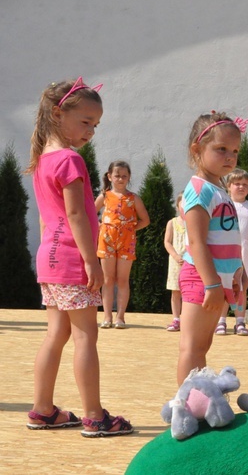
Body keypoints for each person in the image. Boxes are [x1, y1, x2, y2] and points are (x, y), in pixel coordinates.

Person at [26, 77, 133, 436]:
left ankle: (42, 409)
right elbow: (76, 216)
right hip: (73, 259)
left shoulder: (43, 158)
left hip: (50, 258)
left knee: (55, 334)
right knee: (86, 335)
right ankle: (94, 416)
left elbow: (47, 217)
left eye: (96, 124)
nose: (91, 131)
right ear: (59, 114)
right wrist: (92, 261)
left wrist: (50, 257)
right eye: (85, 121)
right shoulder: (70, 160)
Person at [177, 112, 246, 385]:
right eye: (221, 149)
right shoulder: (199, 190)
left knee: (202, 348)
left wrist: (236, 274)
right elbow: (197, 242)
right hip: (201, 278)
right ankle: (183, 405)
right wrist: (212, 285)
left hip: (215, 279)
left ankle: (199, 398)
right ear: (197, 148)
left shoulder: (218, 189)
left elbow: (228, 238)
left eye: (234, 151)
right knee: (191, 347)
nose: (229, 156)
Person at [95, 160, 150, 329]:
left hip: (126, 241)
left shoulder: (133, 198)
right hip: (107, 240)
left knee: (123, 279)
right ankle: (106, 317)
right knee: (107, 279)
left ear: (129, 178)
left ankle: (120, 317)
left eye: (124, 176)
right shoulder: (104, 196)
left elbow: (145, 220)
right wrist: (101, 226)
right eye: (117, 175)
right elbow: (90, 212)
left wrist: (130, 230)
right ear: (110, 176)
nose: (120, 179)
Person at [215, 168, 248, 336]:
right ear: (229, 186)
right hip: (227, 252)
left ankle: (240, 321)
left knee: (242, 288)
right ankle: (221, 321)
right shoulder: (223, 205)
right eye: (237, 184)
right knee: (225, 287)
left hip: (246, 253)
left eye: (245, 185)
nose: (241, 187)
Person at [164, 193, 186, 332]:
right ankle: (176, 319)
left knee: (190, 292)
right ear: (177, 206)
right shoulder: (172, 222)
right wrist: (176, 256)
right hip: (176, 262)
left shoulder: (196, 222)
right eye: (183, 203)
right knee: (176, 291)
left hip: (191, 262)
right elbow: (167, 242)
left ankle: (188, 319)